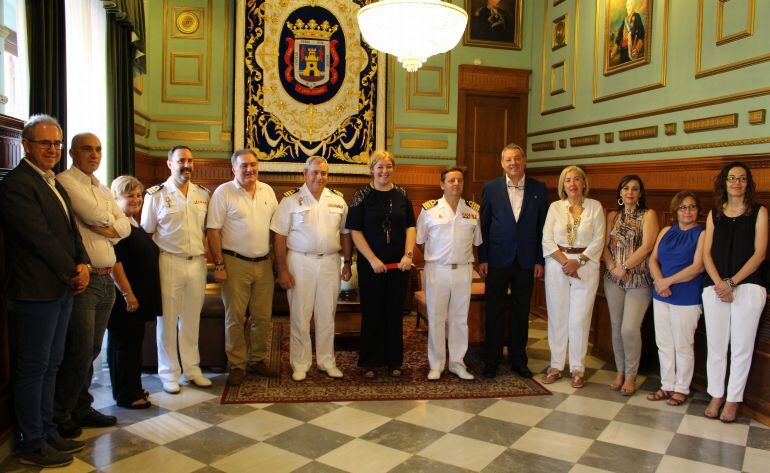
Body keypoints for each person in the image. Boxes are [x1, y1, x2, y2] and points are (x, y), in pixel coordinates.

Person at [0, 114, 90, 467]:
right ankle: (32, 442)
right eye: (45, 143)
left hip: (63, 287)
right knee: (34, 367)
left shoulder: (53, 182)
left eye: (56, 143)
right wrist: (73, 270)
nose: (52, 149)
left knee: (53, 363)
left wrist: (82, 262)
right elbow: (39, 239)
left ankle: (48, 431)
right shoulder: (18, 185)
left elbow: (71, 233)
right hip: (35, 291)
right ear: (26, 145)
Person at [53, 133, 130, 437]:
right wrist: (110, 222)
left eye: (98, 149)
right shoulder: (66, 181)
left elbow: (122, 225)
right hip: (84, 281)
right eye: (87, 149)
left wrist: (111, 224)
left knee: (93, 349)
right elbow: (95, 215)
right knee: (78, 349)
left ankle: (81, 407)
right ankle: (61, 413)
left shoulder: (99, 185)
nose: (94, 155)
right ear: (72, 152)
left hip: (106, 277)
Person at [271, 156, 353, 381]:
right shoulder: (290, 201)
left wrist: (347, 262)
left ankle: (327, 361)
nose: (319, 177)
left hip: (329, 261)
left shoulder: (338, 201)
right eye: (315, 172)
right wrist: (282, 269)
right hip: (299, 261)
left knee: (327, 314)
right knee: (300, 314)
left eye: (324, 173)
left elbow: (346, 234)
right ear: (305, 174)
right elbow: (279, 236)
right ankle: (300, 363)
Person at [141, 145, 213, 394]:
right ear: (169, 163)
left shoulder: (203, 194)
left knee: (192, 319)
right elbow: (147, 233)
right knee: (168, 320)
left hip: (197, 263)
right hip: (168, 261)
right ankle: (169, 373)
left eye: (190, 161)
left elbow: (207, 230)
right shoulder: (156, 195)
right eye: (182, 160)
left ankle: (192, 369)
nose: (187, 165)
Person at [207, 149, 279, 386]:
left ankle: (256, 360)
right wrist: (219, 264)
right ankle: (237, 364)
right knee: (235, 317)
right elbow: (213, 231)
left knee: (262, 316)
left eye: (253, 165)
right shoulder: (223, 192)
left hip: (264, 263)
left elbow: (276, 228)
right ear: (234, 169)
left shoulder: (267, 191)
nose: (250, 170)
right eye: (244, 166)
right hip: (234, 262)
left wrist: (277, 261)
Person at [702, 162, 767, 423]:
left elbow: (759, 253)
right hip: (715, 287)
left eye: (741, 178)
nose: (736, 182)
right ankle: (716, 394)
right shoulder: (714, 213)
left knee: (741, 347)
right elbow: (706, 253)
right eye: (731, 178)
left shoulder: (759, 212)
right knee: (716, 345)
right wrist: (720, 283)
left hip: (748, 286)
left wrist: (732, 283)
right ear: (724, 182)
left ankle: (732, 399)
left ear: (748, 183)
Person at [479, 143, 547, 379]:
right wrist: (483, 257)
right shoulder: (491, 188)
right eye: (508, 159)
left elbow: (542, 229)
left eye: (517, 158)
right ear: (502, 163)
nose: (513, 163)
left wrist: (540, 260)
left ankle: (519, 360)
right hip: (497, 260)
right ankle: (492, 360)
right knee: (494, 311)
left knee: (521, 312)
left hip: (526, 261)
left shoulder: (539, 188)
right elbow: (484, 226)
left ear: (524, 160)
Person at [346, 150, 416, 378]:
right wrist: (373, 259)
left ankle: (394, 361)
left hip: (399, 266)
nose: (384, 171)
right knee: (373, 312)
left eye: (388, 167)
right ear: (371, 170)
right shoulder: (361, 195)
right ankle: (369, 362)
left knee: (394, 313)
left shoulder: (403, 194)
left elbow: (410, 227)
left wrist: (408, 255)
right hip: (371, 266)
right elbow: (355, 231)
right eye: (380, 167)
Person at [541, 166, 605, 389]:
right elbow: (547, 239)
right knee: (558, 316)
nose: (572, 183)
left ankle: (577, 368)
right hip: (557, 265)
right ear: (563, 185)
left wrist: (578, 261)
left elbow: (599, 239)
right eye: (567, 180)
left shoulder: (595, 207)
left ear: (584, 183)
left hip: (585, 265)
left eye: (577, 179)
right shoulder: (555, 207)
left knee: (579, 319)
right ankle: (556, 365)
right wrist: (564, 261)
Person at [416, 166, 482, 381]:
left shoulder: (473, 210)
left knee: (460, 319)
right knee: (435, 318)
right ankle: (436, 364)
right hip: (437, 270)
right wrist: (433, 259)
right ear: (442, 184)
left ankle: (457, 363)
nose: (456, 184)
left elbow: (477, 243)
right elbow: (419, 241)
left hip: (463, 271)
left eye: (459, 181)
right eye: (451, 180)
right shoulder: (429, 210)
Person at [107, 176, 162, 409]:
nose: (136, 199)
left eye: (139, 195)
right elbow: (115, 263)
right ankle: (127, 395)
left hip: (138, 294)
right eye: (130, 195)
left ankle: (132, 387)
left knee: (132, 343)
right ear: (116, 198)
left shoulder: (132, 222)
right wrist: (128, 294)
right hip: (125, 297)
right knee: (125, 345)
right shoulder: (117, 225)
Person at [601, 175, 658, 396]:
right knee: (616, 326)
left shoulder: (648, 215)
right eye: (626, 188)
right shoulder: (613, 216)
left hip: (638, 279)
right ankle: (620, 371)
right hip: (613, 278)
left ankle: (631, 375)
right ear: (620, 192)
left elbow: (647, 247)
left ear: (641, 193)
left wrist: (624, 267)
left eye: (635, 189)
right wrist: (612, 266)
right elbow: (604, 245)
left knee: (629, 328)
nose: (630, 193)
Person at [647, 191, 705, 406]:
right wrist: (659, 281)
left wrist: (667, 282)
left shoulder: (702, 234)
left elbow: (698, 267)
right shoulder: (665, 231)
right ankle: (666, 385)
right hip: (661, 294)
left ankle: (682, 388)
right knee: (664, 343)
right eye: (683, 207)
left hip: (686, 296)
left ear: (698, 210)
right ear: (675, 210)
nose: (687, 211)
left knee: (683, 345)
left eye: (692, 207)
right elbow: (653, 259)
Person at [610, 0, 645, 65]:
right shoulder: (624, 20)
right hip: (623, 49)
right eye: (628, 4)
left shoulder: (636, 16)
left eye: (631, 4)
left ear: (633, 5)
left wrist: (637, 48)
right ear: (626, 6)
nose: (629, 6)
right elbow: (619, 35)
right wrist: (615, 49)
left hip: (632, 48)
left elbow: (641, 33)